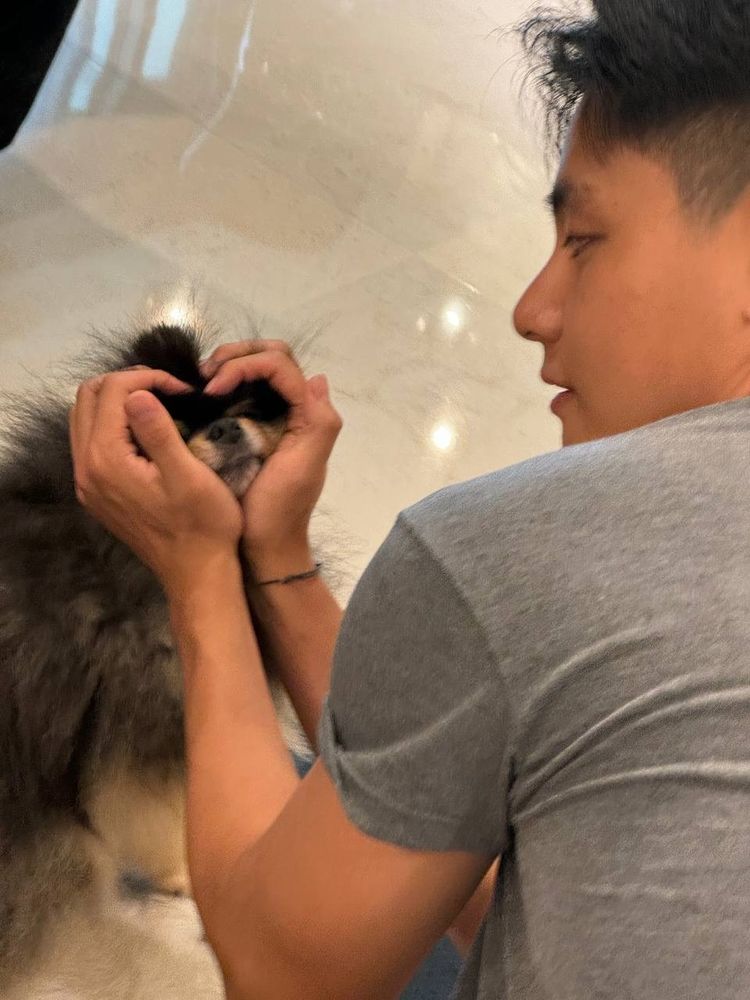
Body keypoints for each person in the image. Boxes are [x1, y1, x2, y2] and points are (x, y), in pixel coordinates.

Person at [69, 1, 750, 997]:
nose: (531, 309)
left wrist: (201, 573)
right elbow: (526, 883)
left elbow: (282, 970)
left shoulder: (526, 545)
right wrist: (279, 558)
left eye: (584, 239)